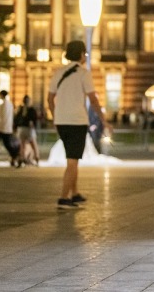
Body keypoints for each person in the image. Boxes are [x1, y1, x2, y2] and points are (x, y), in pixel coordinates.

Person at [47, 40, 105, 210]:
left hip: (62, 122)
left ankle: (75, 193)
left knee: (73, 158)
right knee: (72, 161)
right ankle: (63, 198)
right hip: (77, 121)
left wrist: (55, 116)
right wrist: (104, 120)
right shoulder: (83, 73)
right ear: (81, 54)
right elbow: (93, 99)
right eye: (85, 53)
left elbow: (50, 99)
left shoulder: (58, 73)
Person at [0, 90, 20, 167]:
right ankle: (14, 156)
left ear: (2, 95)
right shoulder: (10, 104)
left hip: (2, 128)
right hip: (8, 128)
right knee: (6, 144)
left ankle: (15, 155)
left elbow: (0, 118)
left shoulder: (2, 105)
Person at [15, 95, 40, 166]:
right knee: (33, 144)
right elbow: (34, 119)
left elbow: (16, 118)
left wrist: (16, 126)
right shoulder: (31, 109)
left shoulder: (21, 109)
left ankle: (22, 158)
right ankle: (36, 158)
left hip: (21, 128)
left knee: (22, 145)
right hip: (28, 129)